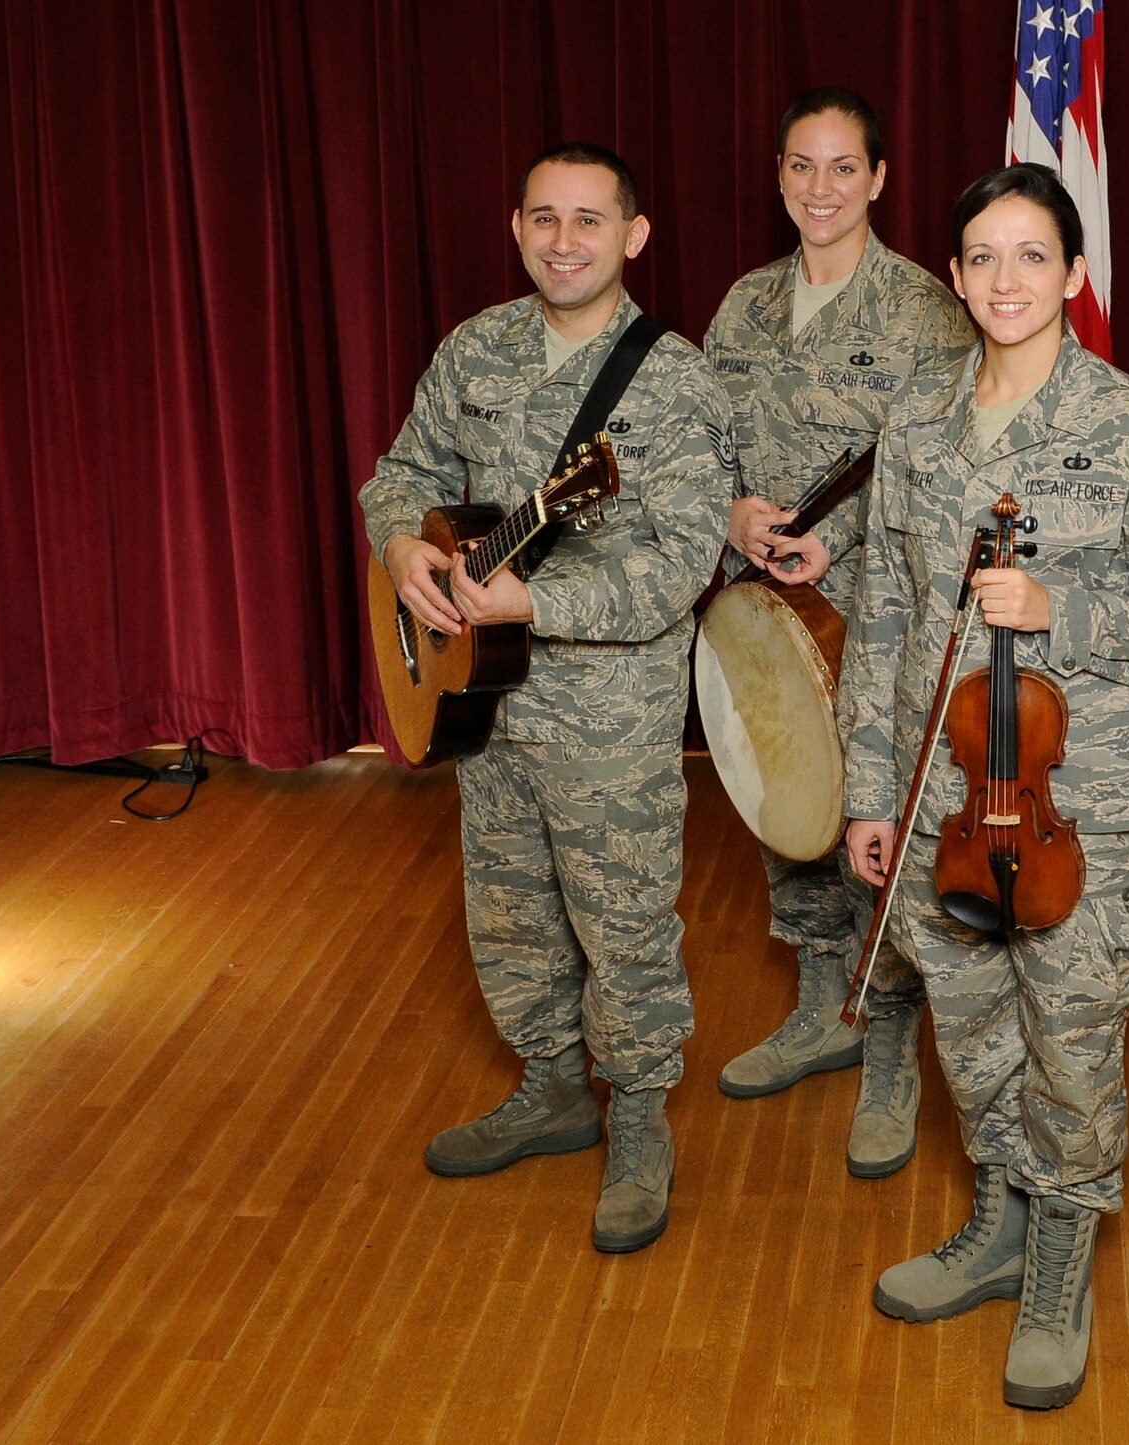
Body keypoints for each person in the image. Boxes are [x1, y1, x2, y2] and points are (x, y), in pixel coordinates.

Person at [842, 164, 1129, 1409]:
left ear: (1073, 272)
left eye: (1030, 255)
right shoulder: (913, 420)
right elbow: (880, 614)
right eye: (980, 257)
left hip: (1085, 808)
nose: (1004, 280)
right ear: (953, 277)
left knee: (1070, 1039)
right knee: (970, 1029)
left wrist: (1062, 606)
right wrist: (869, 791)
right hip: (936, 801)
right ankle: (1002, 1213)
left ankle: (1060, 1247)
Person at [359, 142, 732, 1254]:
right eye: (543, 219)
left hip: (606, 712)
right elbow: (405, 471)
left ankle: (639, 1117)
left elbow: (678, 566)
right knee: (512, 908)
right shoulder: (473, 347)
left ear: (634, 235)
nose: (563, 241)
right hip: (482, 702)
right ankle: (553, 1084)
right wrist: (397, 546)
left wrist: (537, 597)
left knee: (620, 923)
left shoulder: (674, 382)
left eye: (588, 220)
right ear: (515, 226)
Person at [703, 87, 975, 1178]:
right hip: (761, 609)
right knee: (788, 802)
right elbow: (699, 441)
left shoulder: (921, 309)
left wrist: (842, 543)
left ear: (875, 179)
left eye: (842, 169)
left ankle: (893, 1050)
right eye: (801, 168)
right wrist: (728, 512)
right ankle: (822, 1009)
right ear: (779, 177)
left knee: (881, 829)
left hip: (875, 614)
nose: (821, 189)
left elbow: (947, 462)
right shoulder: (744, 304)